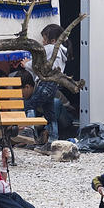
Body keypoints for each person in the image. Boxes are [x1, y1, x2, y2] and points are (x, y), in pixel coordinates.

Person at [22, 23, 69, 151]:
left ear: (52, 40)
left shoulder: (51, 48)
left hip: (45, 84)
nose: (42, 42)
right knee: (50, 114)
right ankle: (52, 143)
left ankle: (28, 132)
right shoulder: (62, 52)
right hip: (53, 86)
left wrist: (26, 64)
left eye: (44, 38)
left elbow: (37, 65)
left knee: (30, 104)